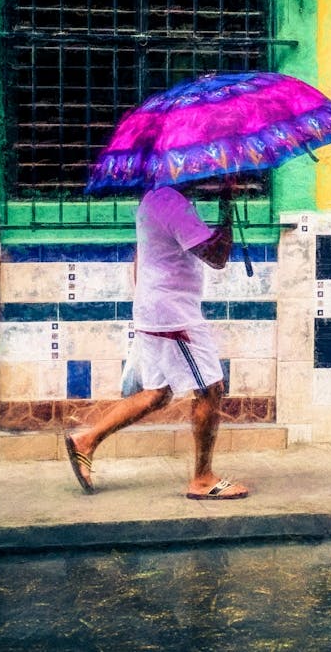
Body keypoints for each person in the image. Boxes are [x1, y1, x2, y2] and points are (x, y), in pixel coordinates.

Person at [64, 183, 248, 500]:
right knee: (211, 389)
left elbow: (142, 257)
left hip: (157, 311)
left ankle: (87, 440)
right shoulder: (173, 204)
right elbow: (217, 257)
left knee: (156, 394)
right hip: (174, 316)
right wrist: (227, 206)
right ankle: (203, 479)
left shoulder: (154, 199)